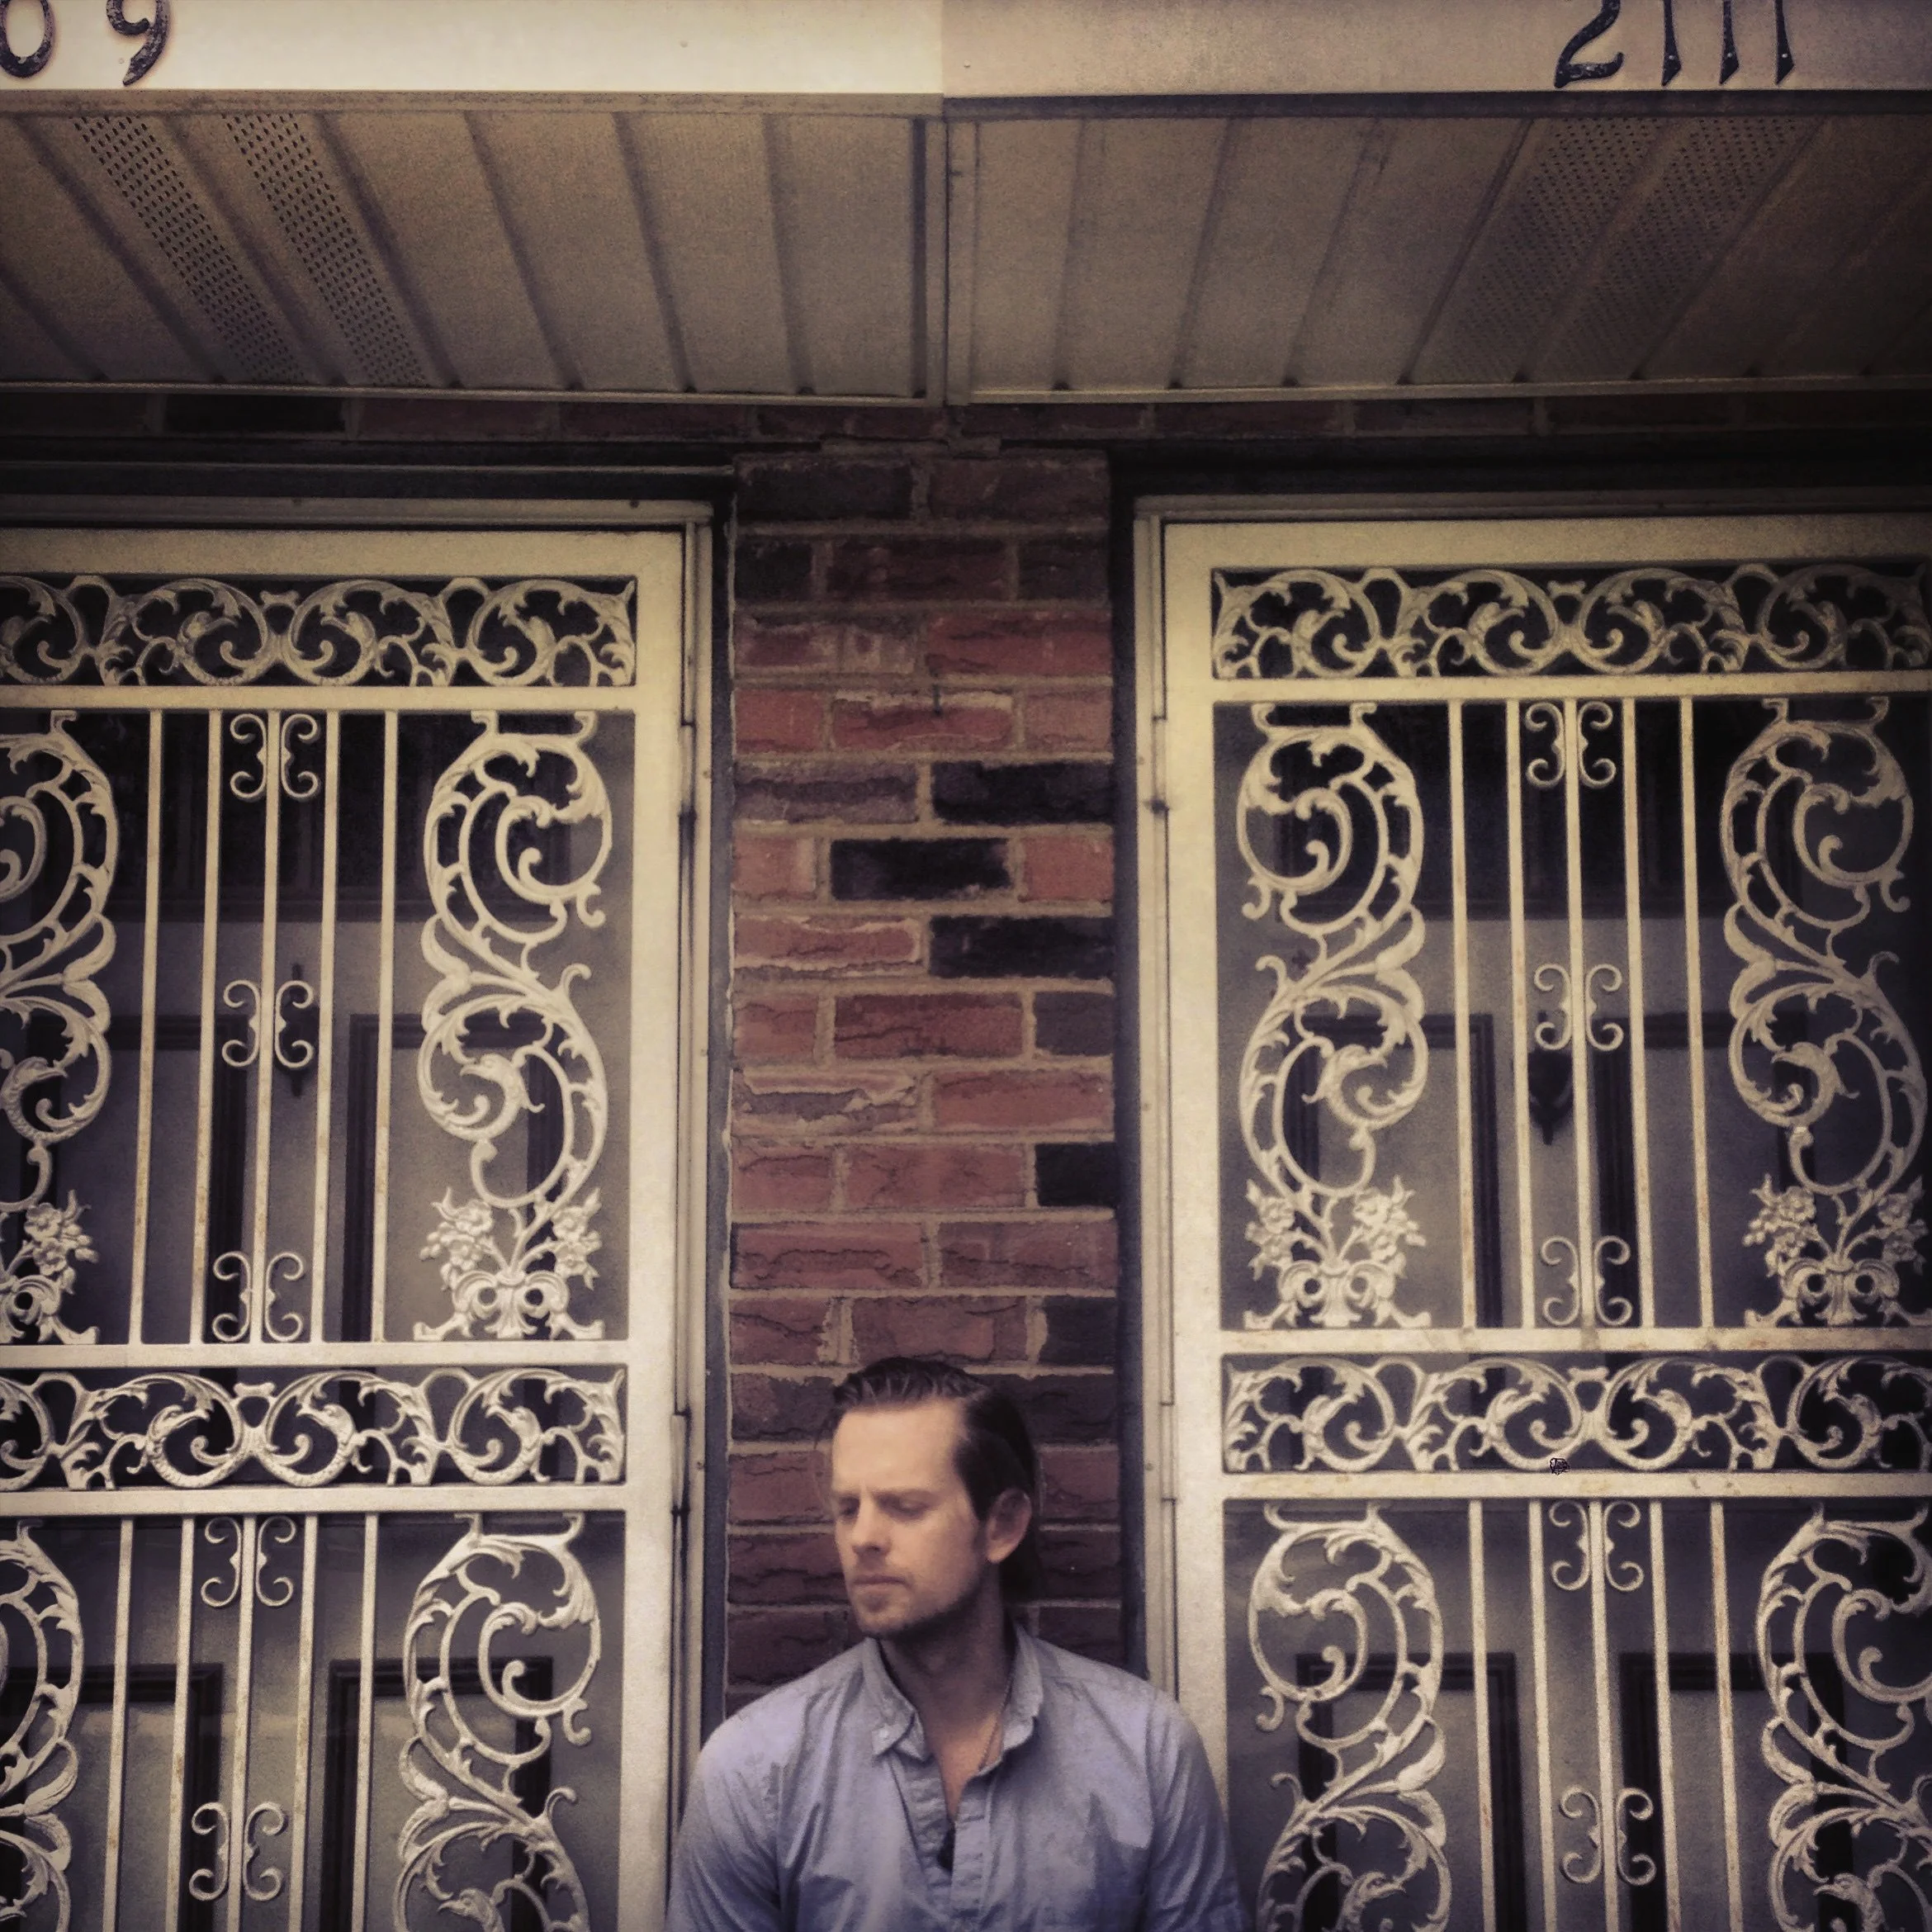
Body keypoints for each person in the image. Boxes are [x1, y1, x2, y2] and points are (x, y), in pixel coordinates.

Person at [667, 1356, 1245, 1930]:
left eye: (905, 1507)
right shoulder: (754, 1767)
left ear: (1002, 1526)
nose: (863, 1537)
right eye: (848, 1508)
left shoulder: (1146, 1749)